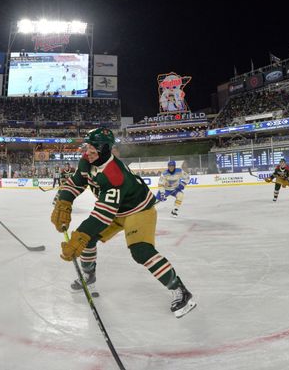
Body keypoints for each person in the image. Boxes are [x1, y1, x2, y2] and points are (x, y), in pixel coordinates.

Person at [50, 128, 196, 318]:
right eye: (88, 146)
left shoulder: (114, 174)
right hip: (116, 210)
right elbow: (76, 183)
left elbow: (103, 215)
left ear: (105, 148)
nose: (88, 151)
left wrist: (81, 235)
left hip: (138, 210)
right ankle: (89, 277)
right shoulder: (87, 160)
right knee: (87, 239)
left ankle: (181, 292)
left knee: (141, 251)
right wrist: (64, 201)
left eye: (93, 147)